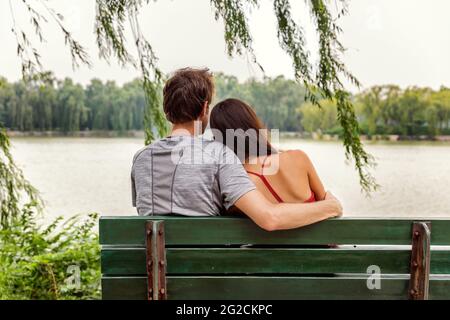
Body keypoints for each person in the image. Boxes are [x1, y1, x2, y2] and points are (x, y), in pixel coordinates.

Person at [131, 67, 342, 231]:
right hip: (204, 273)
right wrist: (330, 206)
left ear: (167, 112)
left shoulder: (141, 159)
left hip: (150, 275)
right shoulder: (220, 155)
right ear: (205, 108)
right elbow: (269, 218)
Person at [210, 98, 325, 206]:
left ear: (221, 140)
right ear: (252, 124)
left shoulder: (241, 185)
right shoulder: (298, 157)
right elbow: (326, 202)